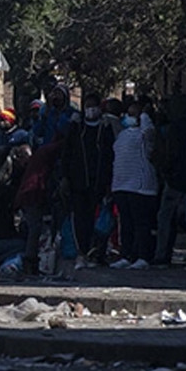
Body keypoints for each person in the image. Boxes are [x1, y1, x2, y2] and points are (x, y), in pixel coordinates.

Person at [62, 93, 116, 268]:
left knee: (99, 220)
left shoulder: (105, 128)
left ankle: (96, 253)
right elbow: (67, 154)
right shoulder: (76, 129)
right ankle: (81, 253)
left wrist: (108, 182)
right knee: (80, 219)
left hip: (99, 183)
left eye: (94, 106)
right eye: (87, 106)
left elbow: (110, 155)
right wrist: (65, 178)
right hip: (79, 183)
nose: (91, 110)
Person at [153, 94, 186, 268]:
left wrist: (167, 173)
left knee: (165, 218)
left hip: (175, 181)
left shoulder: (173, 130)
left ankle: (162, 255)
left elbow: (169, 155)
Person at [110, 101, 158, 269]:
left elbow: (149, 131)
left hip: (140, 187)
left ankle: (143, 256)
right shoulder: (123, 134)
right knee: (126, 224)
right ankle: (126, 255)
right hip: (121, 185)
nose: (129, 117)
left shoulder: (145, 135)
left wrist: (144, 114)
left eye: (133, 114)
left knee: (141, 224)